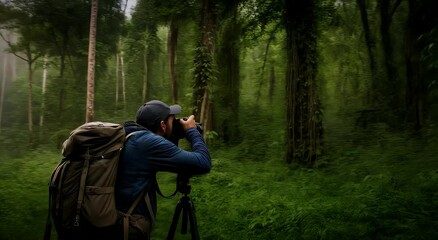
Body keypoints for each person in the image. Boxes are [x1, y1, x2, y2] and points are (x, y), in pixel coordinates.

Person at [115, 100, 211, 239]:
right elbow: (203, 163)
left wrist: (173, 134)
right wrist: (192, 131)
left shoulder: (132, 136)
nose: (177, 123)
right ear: (162, 125)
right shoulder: (149, 143)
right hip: (128, 228)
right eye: (173, 120)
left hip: (117, 220)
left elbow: (169, 156)